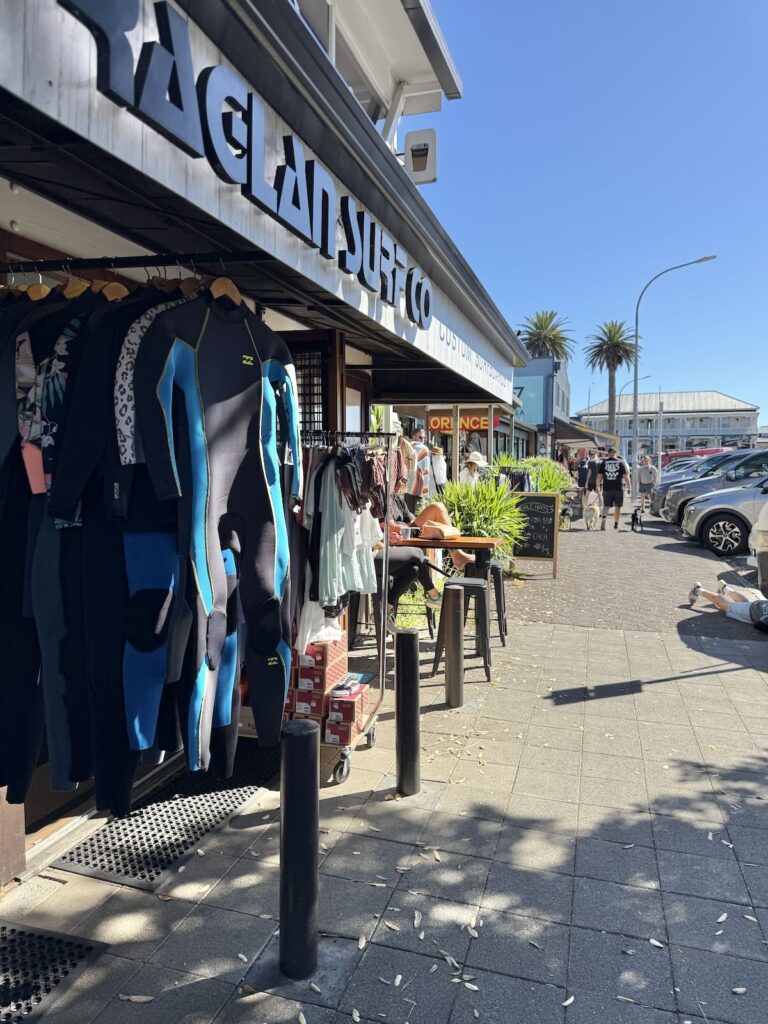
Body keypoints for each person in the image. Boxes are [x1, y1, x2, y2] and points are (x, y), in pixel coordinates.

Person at [688, 581, 768, 633]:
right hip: (753, 612)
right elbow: (760, 625)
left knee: (744, 603)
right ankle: (697, 590)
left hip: (759, 605)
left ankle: (724, 588)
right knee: (726, 606)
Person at [597, 446, 630, 531]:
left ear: (608, 454)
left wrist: (597, 486)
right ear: (616, 453)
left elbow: (599, 476)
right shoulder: (620, 462)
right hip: (618, 487)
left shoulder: (604, 463)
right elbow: (626, 476)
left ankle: (604, 520)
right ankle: (616, 524)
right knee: (618, 506)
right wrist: (629, 487)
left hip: (607, 487)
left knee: (606, 506)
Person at [404, 427, 430, 512]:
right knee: (418, 515)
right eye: (420, 437)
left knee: (407, 514)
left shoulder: (405, 447)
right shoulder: (423, 449)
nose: (423, 440)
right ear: (414, 436)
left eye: (424, 438)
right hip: (418, 488)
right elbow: (425, 471)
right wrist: (426, 491)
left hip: (406, 487)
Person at [576, 449, 600, 516]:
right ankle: (585, 508)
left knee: (586, 494)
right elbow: (578, 470)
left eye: (584, 453)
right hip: (583, 480)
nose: (583, 454)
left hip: (588, 480)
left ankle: (586, 507)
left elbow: (589, 472)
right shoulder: (581, 461)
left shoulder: (590, 461)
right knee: (584, 495)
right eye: (582, 452)